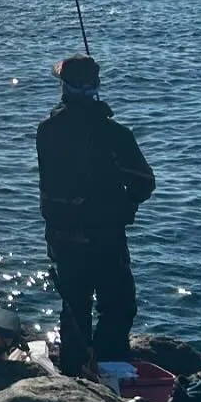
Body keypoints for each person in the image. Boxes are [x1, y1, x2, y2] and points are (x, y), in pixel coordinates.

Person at [36, 52, 155, 376]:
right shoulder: (116, 135)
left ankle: (75, 373)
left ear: (63, 87)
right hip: (105, 236)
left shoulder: (46, 131)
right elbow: (145, 184)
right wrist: (123, 205)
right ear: (97, 86)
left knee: (74, 307)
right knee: (118, 305)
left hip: (63, 235)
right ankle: (110, 369)